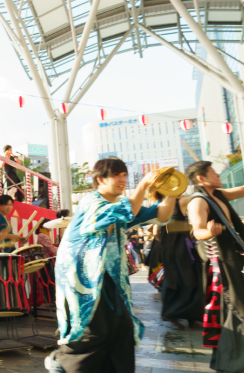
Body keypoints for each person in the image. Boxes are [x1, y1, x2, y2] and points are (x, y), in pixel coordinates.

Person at [46, 157, 177, 373]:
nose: (123, 179)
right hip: (82, 280)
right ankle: (62, 361)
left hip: (109, 277)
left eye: (125, 175)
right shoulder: (92, 201)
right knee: (91, 331)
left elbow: (162, 214)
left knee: (120, 328)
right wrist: (143, 184)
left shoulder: (123, 207)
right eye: (117, 175)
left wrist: (173, 190)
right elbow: (125, 213)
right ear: (100, 179)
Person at [185, 161, 244, 372]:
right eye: (213, 172)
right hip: (221, 263)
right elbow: (198, 231)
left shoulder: (217, 195)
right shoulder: (197, 202)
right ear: (201, 178)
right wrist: (210, 231)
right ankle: (237, 362)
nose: (218, 174)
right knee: (237, 310)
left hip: (235, 258)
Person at [157, 194, 202, 330]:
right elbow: (201, 198)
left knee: (174, 280)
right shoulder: (180, 202)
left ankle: (178, 314)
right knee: (190, 279)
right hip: (181, 249)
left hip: (169, 249)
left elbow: (156, 232)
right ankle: (190, 316)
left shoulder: (160, 205)